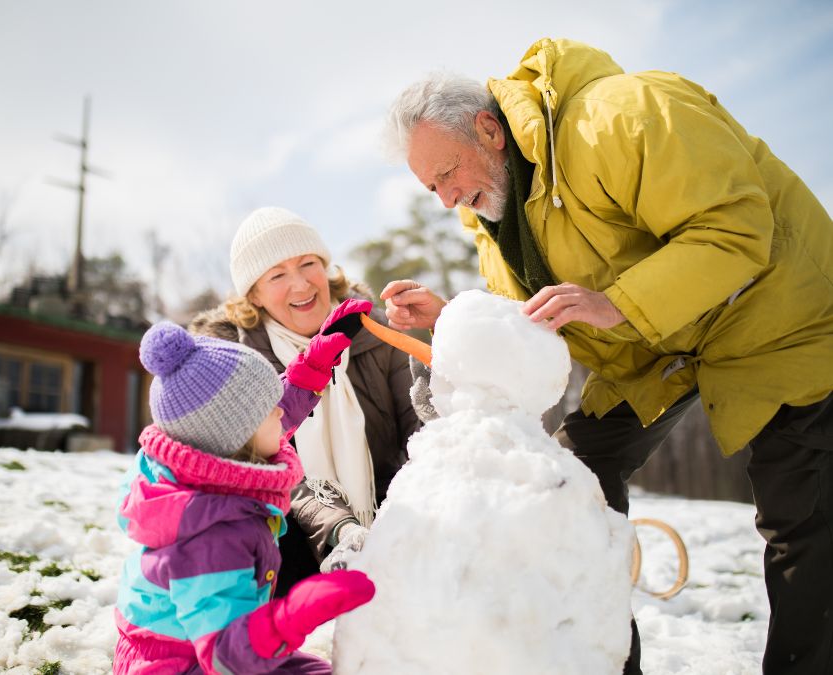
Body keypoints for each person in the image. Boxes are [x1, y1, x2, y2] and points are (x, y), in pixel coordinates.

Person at [382, 37, 833, 675]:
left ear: (489, 130)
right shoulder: (493, 218)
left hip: (778, 314)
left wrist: (616, 303)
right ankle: (602, 661)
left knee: (802, 518)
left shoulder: (620, 115)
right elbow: (537, 319)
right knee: (572, 477)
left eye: (447, 174)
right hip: (659, 350)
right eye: (432, 187)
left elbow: (734, 229)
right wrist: (452, 317)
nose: (446, 199)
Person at [113, 305, 376, 674]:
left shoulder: (216, 462)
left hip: (217, 642)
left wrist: (315, 362)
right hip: (182, 664)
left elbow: (270, 408)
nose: (281, 414)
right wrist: (292, 615)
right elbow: (225, 657)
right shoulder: (210, 534)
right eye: (269, 410)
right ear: (238, 436)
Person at [190, 206, 420, 587]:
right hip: (284, 538)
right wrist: (339, 528)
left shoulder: (375, 330)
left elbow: (418, 430)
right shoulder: (231, 360)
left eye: (308, 263)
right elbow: (261, 464)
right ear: (255, 296)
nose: (301, 285)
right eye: (277, 274)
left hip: (390, 515)